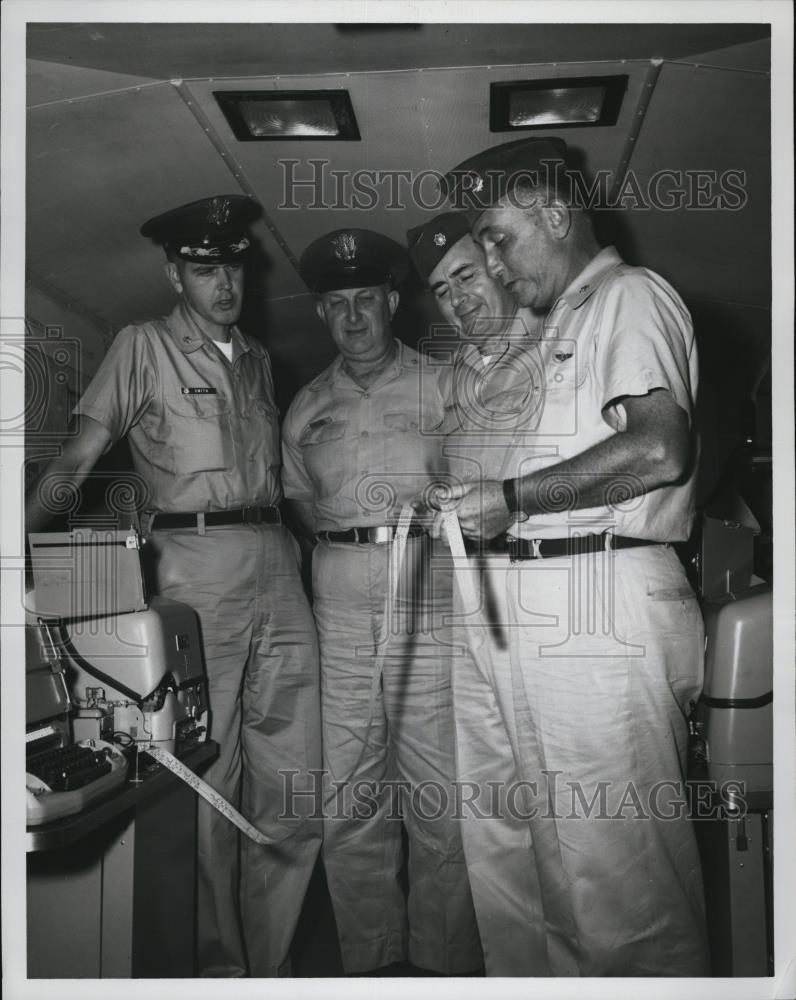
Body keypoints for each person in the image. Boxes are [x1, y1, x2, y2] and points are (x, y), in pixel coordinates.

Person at [422, 138, 710, 976]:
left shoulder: (629, 296)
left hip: (602, 605)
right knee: (521, 863)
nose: (496, 266)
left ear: (556, 214)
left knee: (621, 884)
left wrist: (509, 501)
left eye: (500, 240)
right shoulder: (557, 330)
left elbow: (659, 449)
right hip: (533, 606)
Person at [25, 195, 322, 978]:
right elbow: (73, 466)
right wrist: (12, 557)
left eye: (232, 265)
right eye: (202, 268)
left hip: (279, 563)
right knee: (208, 775)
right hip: (195, 569)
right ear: (173, 273)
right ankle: (222, 972)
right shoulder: (142, 346)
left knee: (296, 774)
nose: (222, 282)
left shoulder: (258, 358)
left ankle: (277, 964)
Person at [281, 228, 481, 976]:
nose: (354, 316)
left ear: (394, 301)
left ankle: (442, 967)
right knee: (350, 791)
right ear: (323, 314)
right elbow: (299, 502)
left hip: (426, 589)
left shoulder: (444, 384)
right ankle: (371, 964)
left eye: (367, 298)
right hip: (338, 596)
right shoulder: (305, 406)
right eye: (337, 304)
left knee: (438, 792)